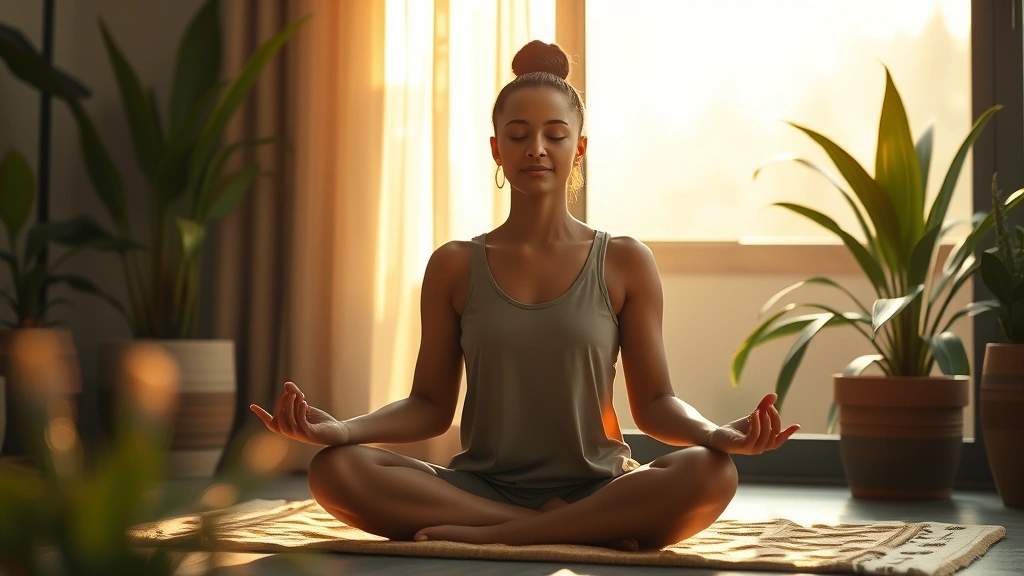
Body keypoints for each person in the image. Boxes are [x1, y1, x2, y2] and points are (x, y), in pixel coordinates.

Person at [251, 40, 799, 552]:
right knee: (334, 469)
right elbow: (429, 407)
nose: (535, 149)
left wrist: (715, 432)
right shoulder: (454, 265)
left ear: (578, 148)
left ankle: (502, 536)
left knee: (712, 471)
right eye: (517, 135)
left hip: (600, 486)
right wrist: (343, 429)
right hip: (478, 489)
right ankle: (560, 532)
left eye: (554, 135)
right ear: (496, 148)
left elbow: (654, 405)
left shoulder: (627, 261)